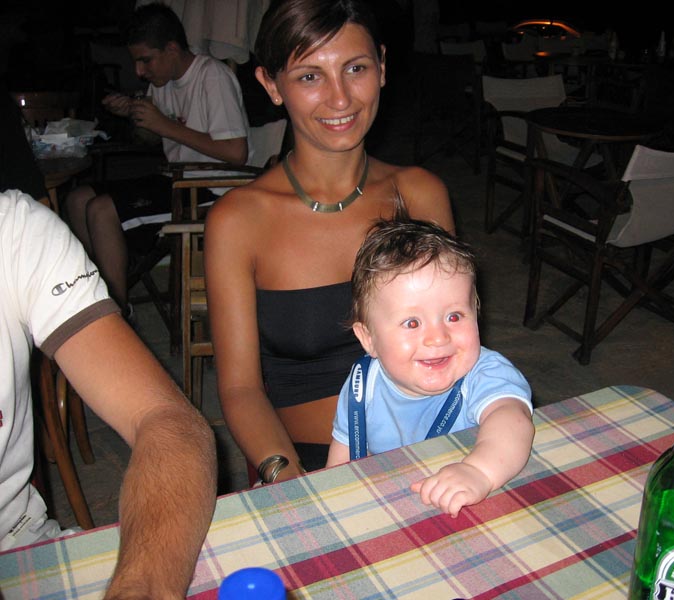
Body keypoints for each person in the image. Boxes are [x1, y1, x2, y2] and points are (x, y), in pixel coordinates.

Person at [204, 0, 454, 483]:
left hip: (428, 450)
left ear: (382, 66)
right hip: (305, 465)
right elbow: (239, 389)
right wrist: (285, 475)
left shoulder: (420, 194)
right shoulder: (239, 220)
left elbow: (457, 346)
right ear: (271, 85)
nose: (340, 99)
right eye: (309, 76)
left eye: (355, 69)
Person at [0, 189, 217, 597]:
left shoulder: (12, 227)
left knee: (98, 206)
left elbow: (167, 420)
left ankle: (111, 310)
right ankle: (110, 308)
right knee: (88, 201)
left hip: (202, 184)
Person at [326, 219, 535, 517]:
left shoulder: (485, 373)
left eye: (454, 316)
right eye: (412, 323)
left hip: (474, 505)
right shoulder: (362, 385)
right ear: (369, 339)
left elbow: (513, 421)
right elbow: (344, 454)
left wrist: (478, 471)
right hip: (400, 506)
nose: (438, 338)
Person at [64, 2, 250, 314]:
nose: (139, 72)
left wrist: (164, 125)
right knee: (77, 199)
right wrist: (135, 115)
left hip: (213, 188)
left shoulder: (212, 77)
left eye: (145, 60)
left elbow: (236, 153)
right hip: (175, 180)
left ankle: (117, 314)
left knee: (101, 210)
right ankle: (109, 282)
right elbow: (149, 140)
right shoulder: (161, 83)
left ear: (172, 49)